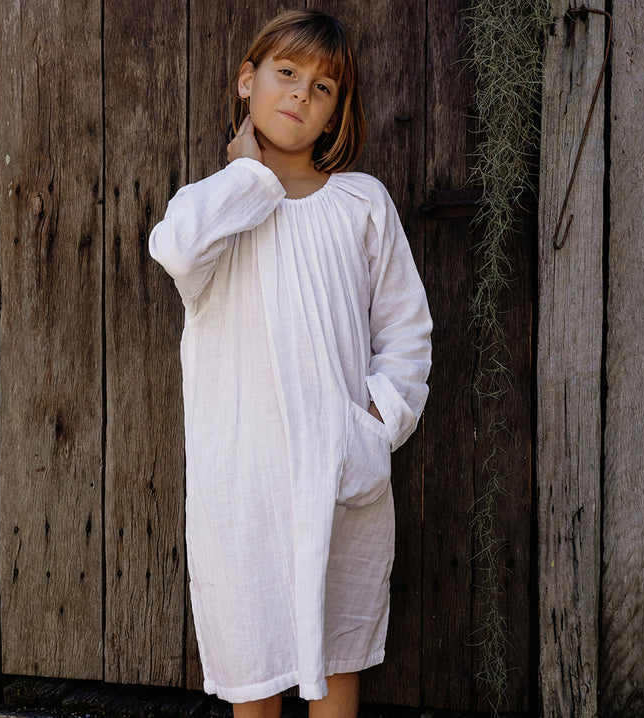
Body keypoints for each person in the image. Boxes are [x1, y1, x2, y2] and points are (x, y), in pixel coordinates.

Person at [149, 9, 432, 718]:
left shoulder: (361, 203)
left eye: (323, 88)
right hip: (244, 483)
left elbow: (406, 330)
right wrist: (248, 175)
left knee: (337, 657)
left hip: (338, 467)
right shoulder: (215, 207)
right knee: (257, 665)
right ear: (247, 81)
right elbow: (177, 251)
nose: (302, 94)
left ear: (337, 113)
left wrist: (372, 423)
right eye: (286, 74)